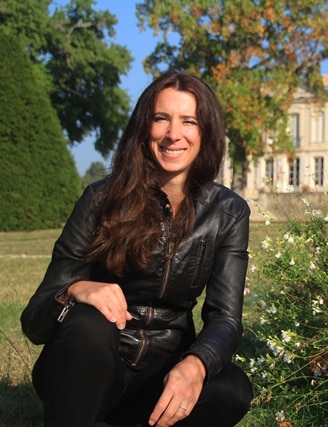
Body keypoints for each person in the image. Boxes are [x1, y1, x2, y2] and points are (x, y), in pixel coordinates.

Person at [21, 71, 253, 427]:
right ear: (144, 128)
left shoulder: (228, 212)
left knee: (233, 388)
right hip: (86, 373)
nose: (174, 134)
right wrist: (76, 289)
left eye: (188, 121)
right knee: (88, 325)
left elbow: (225, 319)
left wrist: (196, 364)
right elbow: (34, 321)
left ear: (205, 131)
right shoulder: (100, 199)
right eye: (162, 119)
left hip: (159, 382)